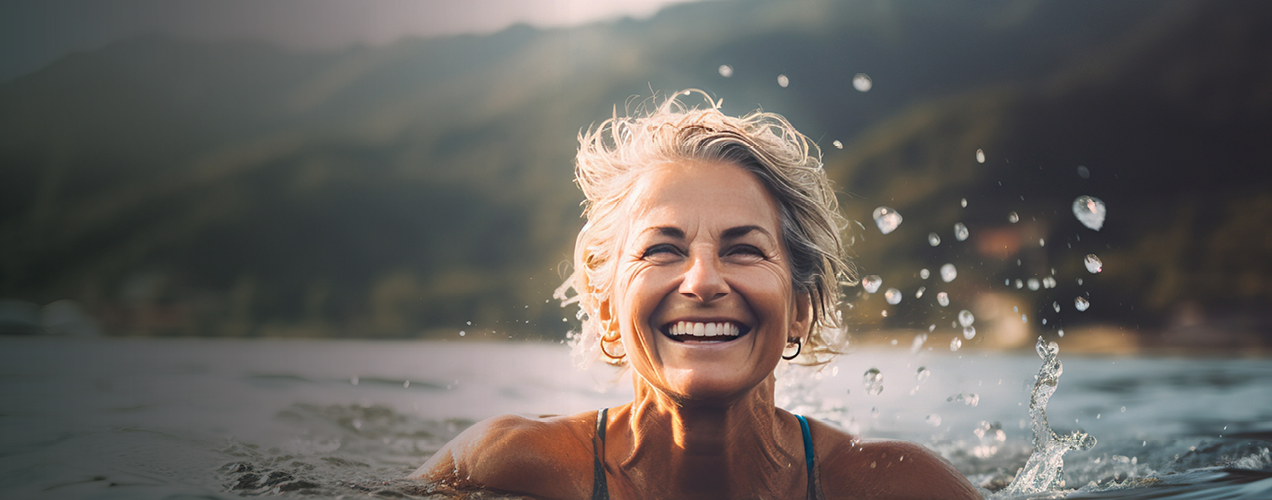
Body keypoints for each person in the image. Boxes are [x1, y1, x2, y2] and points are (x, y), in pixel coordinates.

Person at [409, 91, 982, 500]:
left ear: (800, 309)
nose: (703, 281)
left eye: (744, 249)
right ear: (607, 309)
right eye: (662, 250)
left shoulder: (897, 487)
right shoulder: (505, 468)